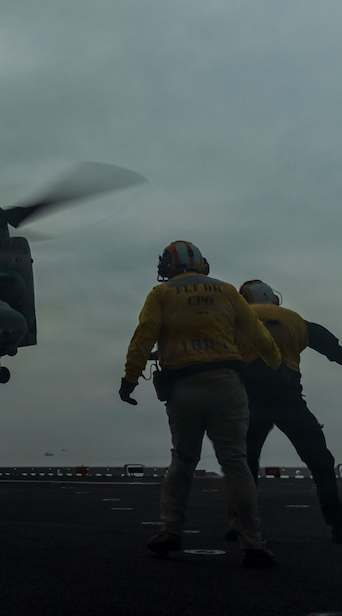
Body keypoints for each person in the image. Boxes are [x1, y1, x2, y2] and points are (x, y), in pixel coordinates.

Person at [120, 241, 282, 569]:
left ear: (170, 265)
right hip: (227, 384)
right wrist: (275, 368)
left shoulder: (161, 294)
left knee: (182, 460)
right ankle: (253, 542)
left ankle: (171, 530)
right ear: (201, 263)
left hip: (184, 386)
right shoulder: (225, 291)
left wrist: (130, 379)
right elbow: (258, 335)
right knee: (235, 461)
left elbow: (144, 336)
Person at [235, 279, 342, 545]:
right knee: (320, 462)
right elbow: (333, 351)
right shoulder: (296, 320)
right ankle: (339, 525)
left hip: (252, 398)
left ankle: (240, 523)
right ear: (273, 298)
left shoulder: (239, 318)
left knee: (245, 462)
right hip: (289, 398)